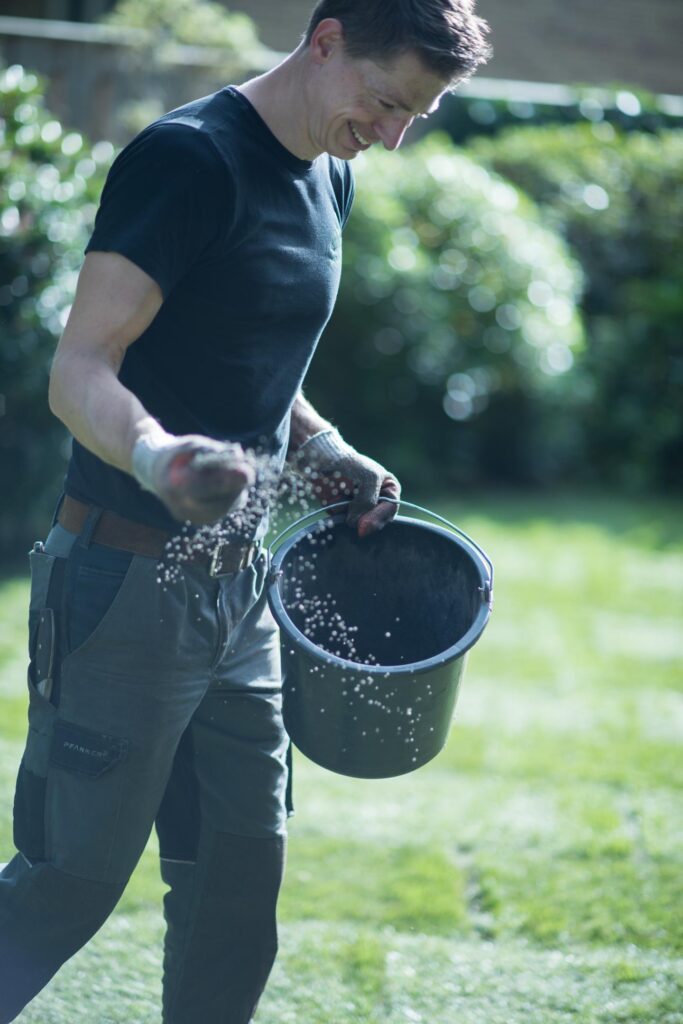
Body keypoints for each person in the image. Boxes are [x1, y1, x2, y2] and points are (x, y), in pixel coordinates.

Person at [0, 1, 491, 1021]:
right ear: (324, 42)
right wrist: (155, 453)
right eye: (385, 101)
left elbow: (252, 360)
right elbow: (79, 368)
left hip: (239, 598)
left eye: (418, 117)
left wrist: (323, 447)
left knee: (236, 897)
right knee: (66, 883)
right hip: (124, 582)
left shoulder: (329, 171)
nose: (393, 135)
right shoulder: (188, 159)